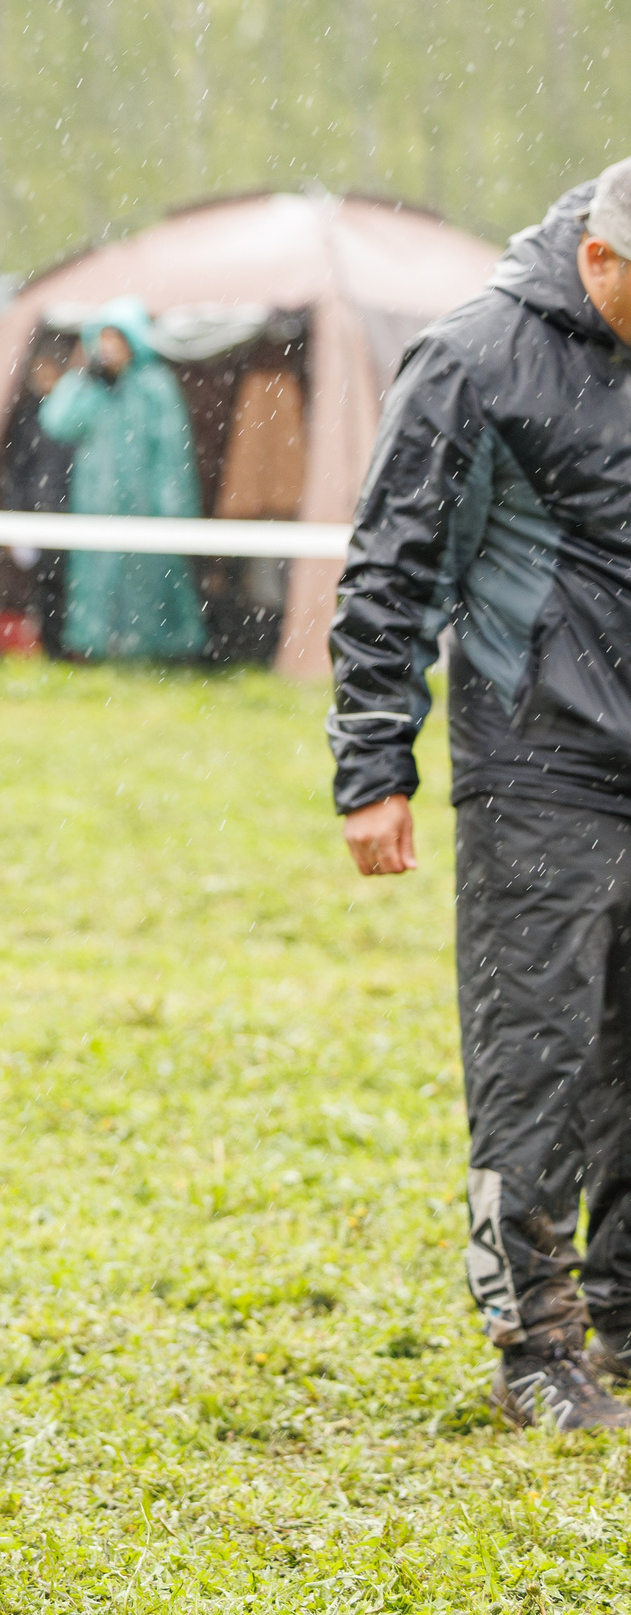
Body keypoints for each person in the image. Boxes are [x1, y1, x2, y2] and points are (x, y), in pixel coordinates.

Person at [329, 158, 631, 1431]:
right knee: (537, 1054)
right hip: (538, 760)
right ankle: (534, 1345)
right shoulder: (473, 359)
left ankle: (624, 1314)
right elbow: (389, 565)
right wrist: (372, 762)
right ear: (599, 259)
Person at [37, 298, 207, 660]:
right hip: (96, 504)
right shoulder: (91, 388)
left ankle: (158, 651)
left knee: (150, 582)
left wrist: (175, 508)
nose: (108, 348)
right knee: (96, 579)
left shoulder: (154, 386)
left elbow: (172, 451)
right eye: (103, 339)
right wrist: (82, 380)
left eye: (116, 339)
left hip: (146, 505)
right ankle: (97, 645)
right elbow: (57, 423)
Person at [0, 349, 77, 656]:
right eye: (39, 374)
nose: (45, 380)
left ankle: (77, 645)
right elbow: (17, 471)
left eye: (50, 373)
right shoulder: (27, 419)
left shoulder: (75, 415)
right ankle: (53, 647)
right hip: (41, 509)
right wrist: (13, 517)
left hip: (73, 508)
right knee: (47, 583)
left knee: (73, 580)